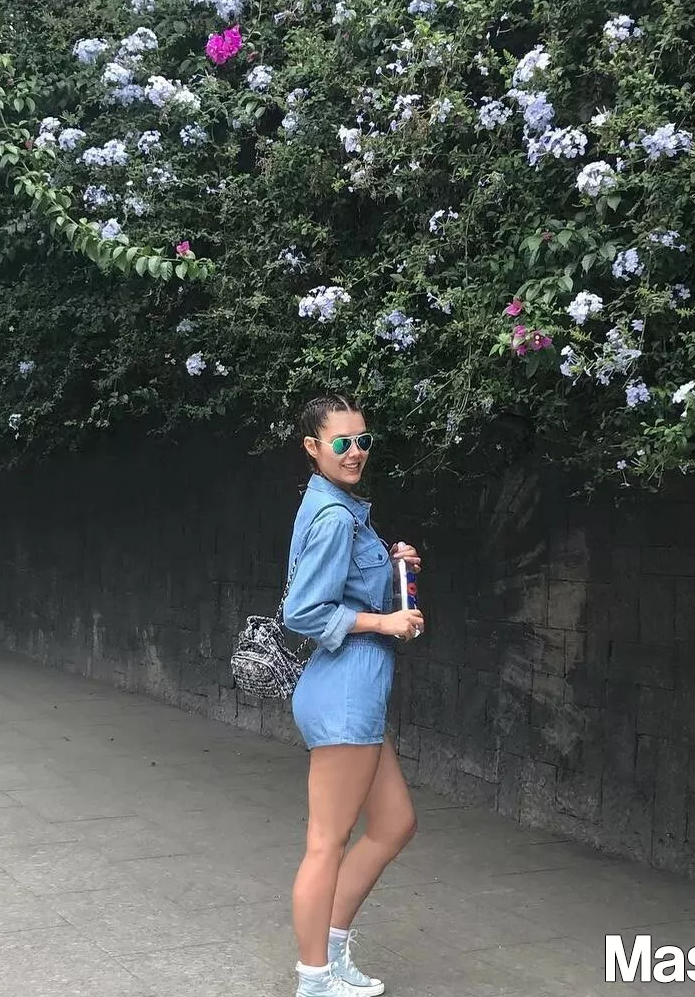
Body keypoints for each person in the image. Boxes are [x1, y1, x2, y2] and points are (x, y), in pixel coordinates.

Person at [282, 394, 425, 997]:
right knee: (326, 843)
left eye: (363, 440)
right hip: (344, 691)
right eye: (341, 442)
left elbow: (345, 583)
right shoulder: (336, 517)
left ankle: (333, 948)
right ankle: (314, 980)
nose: (355, 452)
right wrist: (384, 622)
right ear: (313, 447)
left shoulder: (339, 508)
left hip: (355, 690)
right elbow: (303, 611)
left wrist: (393, 568)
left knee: (394, 823)